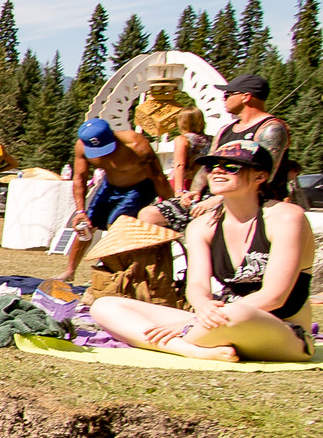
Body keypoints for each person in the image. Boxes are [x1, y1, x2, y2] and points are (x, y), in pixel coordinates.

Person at [91, 143, 312, 362]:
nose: (218, 171)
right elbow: (197, 286)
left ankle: (183, 339)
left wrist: (194, 322)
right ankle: (192, 350)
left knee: (237, 314)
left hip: (281, 331)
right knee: (105, 306)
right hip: (215, 322)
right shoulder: (202, 226)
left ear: (260, 177)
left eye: (231, 167)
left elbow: (274, 296)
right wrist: (202, 306)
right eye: (212, 166)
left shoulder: (285, 217)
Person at [62, 115, 168, 284]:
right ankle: (70, 271)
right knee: (86, 224)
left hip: (140, 187)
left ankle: (115, 273)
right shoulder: (82, 147)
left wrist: (171, 205)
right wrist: (80, 211)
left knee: (116, 224)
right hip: (111, 185)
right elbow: (79, 178)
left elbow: (159, 177)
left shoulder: (137, 145)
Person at [209, 72, 296, 204]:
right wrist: (194, 192)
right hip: (225, 200)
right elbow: (209, 166)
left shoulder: (271, 129)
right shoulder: (224, 130)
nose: (224, 99)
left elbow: (263, 176)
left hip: (259, 204)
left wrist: (219, 198)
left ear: (246, 97)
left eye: (227, 95)